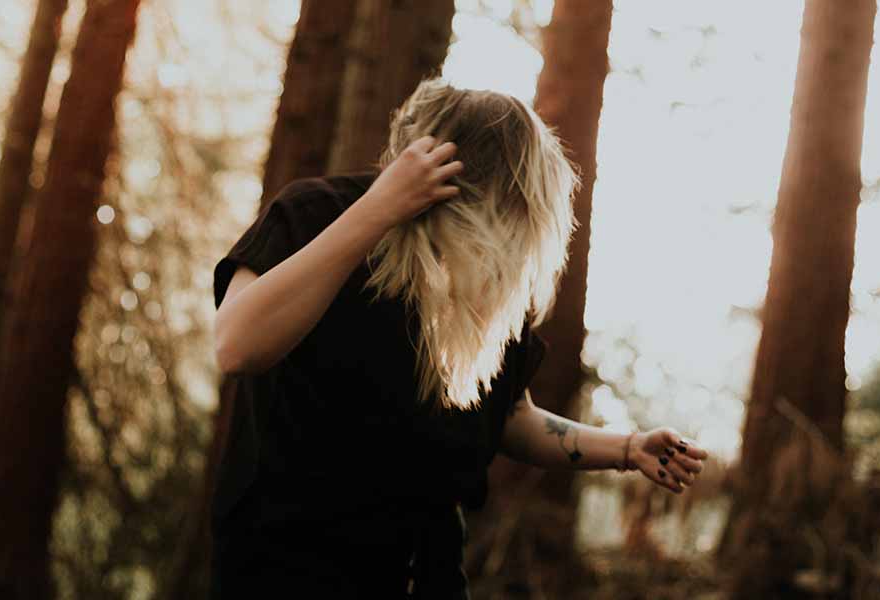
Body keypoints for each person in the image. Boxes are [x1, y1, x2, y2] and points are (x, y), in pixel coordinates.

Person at [208, 77, 709, 599]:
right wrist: (379, 210)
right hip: (282, 574)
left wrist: (627, 448)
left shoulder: (482, 284)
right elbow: (238, 343)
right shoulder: (315, 213)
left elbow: (511, 415)